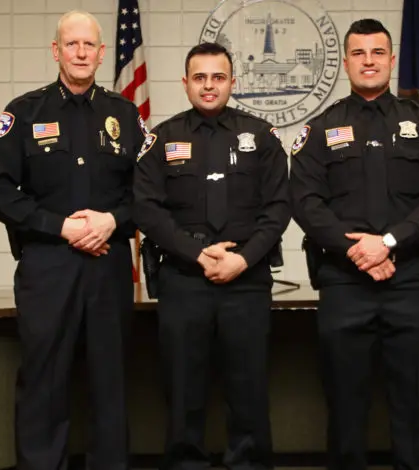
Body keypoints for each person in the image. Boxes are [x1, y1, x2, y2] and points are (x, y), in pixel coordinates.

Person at [0, 10, 146, 470]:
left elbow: (150, 192)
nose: (80, 53)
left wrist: (112, 221)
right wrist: (60, 226)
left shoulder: (124, 113)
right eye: (71, 44)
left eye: (89, 45)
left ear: (102, 53)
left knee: (109, 381)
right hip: (47, 267)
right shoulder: (24, 112)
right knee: (44, 378)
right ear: (56, 51)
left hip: (108, 265)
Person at [289, 19, 419, 470]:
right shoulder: (320, 130)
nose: (369, 61)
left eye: (378, 52)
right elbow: (305, 202)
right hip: (344, 284)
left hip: (410, 281)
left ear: (391, 60)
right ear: (345, 62)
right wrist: (357, 252)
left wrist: (387, 243)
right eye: (359, 53)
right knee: (345, 406)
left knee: (414, 404)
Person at [133, 42, 290, 470]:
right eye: (199, 77)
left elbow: (279, 208)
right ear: (185, 83)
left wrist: (244, 258)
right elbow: (146, 208)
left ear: (232, 82)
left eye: (218, 77)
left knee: (249, 390)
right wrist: (196, 253)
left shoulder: (262, 136)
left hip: (247, 279)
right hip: (184, 280)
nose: (209, 86)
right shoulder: (162, 139)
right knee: (183, 390)